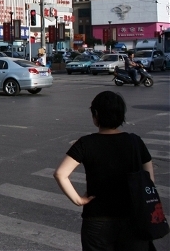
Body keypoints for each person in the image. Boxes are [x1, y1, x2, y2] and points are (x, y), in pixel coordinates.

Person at [54, 91, 155, 251]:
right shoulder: (135, 141)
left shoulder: (86, 143)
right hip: (134, 217)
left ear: (96, 115)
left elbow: (60, 174)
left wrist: (78, 200)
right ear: (121, 115)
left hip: (97, 220)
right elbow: (149, 180)